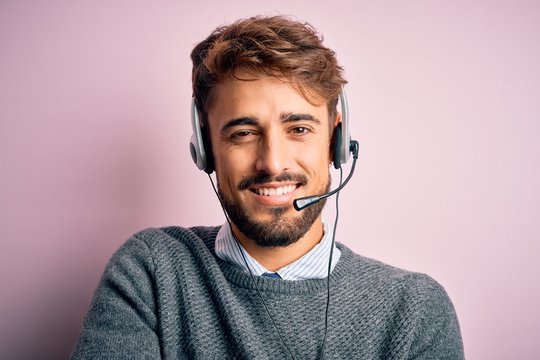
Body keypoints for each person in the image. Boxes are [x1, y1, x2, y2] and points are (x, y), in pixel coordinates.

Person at [72, 15, 464, 359]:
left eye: (299, 129)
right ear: (206, 150)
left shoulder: (414, 309)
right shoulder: (152, 273)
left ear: (337, 142)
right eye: (243, 132)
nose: (273, 163)